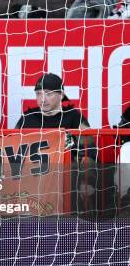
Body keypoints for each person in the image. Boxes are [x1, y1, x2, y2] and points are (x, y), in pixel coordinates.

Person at [15, 73, 96, 212]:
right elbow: (12, 150)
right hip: (33, 178)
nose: (42, 99)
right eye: (38, 94)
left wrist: (85, 181)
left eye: (48, 93)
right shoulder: (28, 118)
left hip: (67, 180)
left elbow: (90, 151)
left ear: (61, 94)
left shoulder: (74, 116)